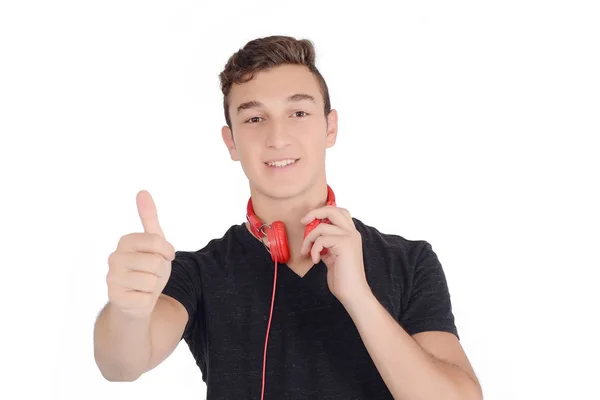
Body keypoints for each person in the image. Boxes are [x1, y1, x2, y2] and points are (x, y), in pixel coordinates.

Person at [93, 35, 482, 400]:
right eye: (254, 119)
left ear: (330, 127)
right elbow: (121, 366)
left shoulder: (410, 261)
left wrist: (359, 296)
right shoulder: (198, 272)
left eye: (298, 112)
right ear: (231, 142)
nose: (277, 137)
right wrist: (128, 311)